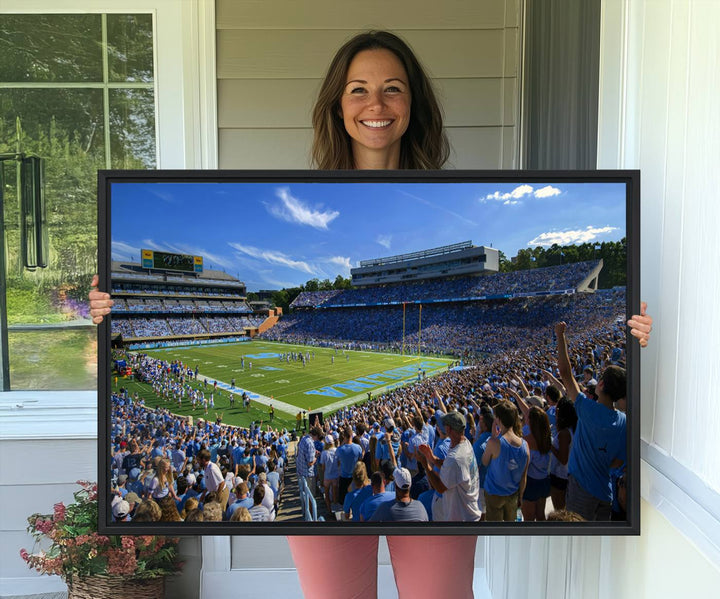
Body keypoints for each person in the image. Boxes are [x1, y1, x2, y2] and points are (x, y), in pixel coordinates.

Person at [89, 29, 653, 599]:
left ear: (414, 105)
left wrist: (630, 333)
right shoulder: (288, 183)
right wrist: (108, 311)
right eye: (358, 89)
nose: (375, 104)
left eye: (393, 89)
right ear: (337, 104)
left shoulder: (463, 189)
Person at [555, 321, 628, 521]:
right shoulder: (623, 422)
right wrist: (600, 459)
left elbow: (565, 373)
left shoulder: (586, 408)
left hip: (581, 490)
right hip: (605, 493)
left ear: (601, 384)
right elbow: (619, 460)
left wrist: (560, 335)